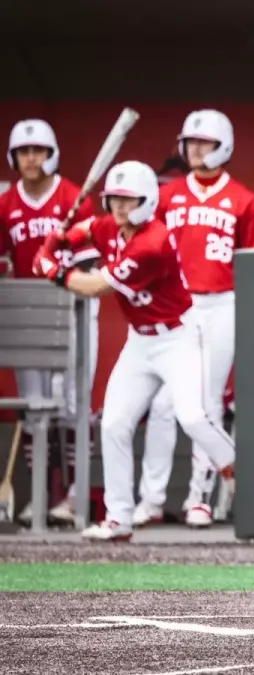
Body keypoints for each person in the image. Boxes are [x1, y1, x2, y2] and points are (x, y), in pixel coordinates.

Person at [33, 160, 237, 541]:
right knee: (113, 424)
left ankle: (234, 465)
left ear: (147, 201)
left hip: (178, 337)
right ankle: (119, 517)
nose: (120, 208)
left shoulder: (153, 242)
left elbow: (94, 286)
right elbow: (88, 228)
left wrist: (52, 269)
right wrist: (62, 238)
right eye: (114, 200)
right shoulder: (111, 225)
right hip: (140, 340)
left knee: (192, 416)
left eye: (129, 200)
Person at [134, 109, 254, 529]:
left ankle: (200, 497)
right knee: (160, 404)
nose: (195, 149)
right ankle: (152, 499)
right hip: (175, 306)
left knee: (206, 404)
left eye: (204, 142)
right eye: (190, 142)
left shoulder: (244, 199)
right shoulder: (167, 195)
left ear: (224, 146)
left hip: (220, 304)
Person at [1, 119, 100, 527]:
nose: (30, 158)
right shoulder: (6, 204)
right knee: (34, 409)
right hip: (29, 313)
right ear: (13, 157)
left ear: (51, 154)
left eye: (38, 151)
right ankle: (40, 495)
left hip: (73, 307)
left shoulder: (75, 199)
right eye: (24, 151)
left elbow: (89, 263)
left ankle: (76, 496)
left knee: (73, 406)